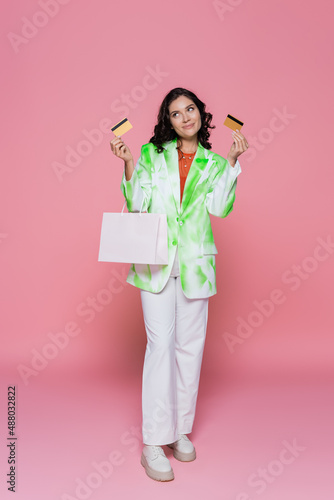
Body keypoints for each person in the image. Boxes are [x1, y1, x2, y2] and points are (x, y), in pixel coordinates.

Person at [110, 87, 248, 482]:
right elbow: (137, 205)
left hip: (195, 266)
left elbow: (220, 208)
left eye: (190, 109)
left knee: (190, 349)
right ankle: (153, 440)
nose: (184, 117)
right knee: (160, 346)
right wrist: (129, 166)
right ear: (167, 121)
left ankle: (179, 430)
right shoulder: (152, 154)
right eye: (175, 113)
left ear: (201, 115)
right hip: (155, 262)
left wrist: (234, 162)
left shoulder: (215, 162)